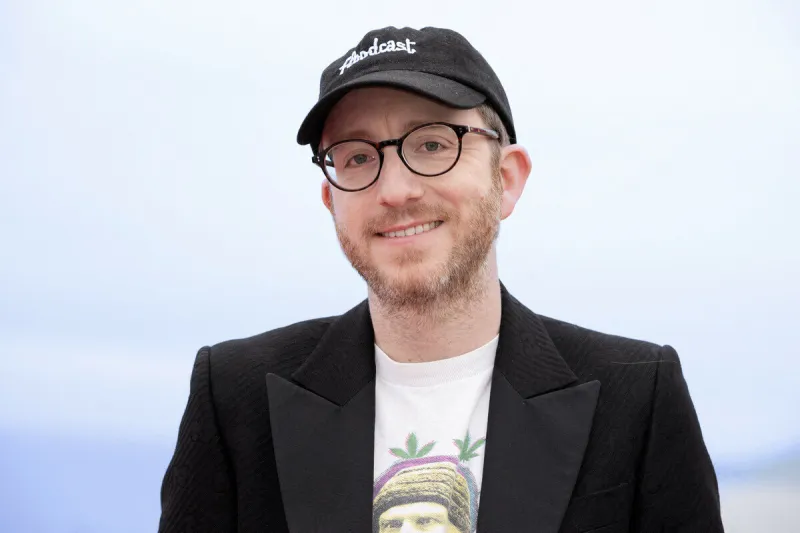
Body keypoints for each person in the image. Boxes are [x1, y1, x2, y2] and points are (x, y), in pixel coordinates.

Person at [158, 26, 724, 533]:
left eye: (432, 144)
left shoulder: (637, 396)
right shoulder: (235, 396)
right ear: (331, 199)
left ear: (506, 178)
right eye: (356, 157)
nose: (396, 190)